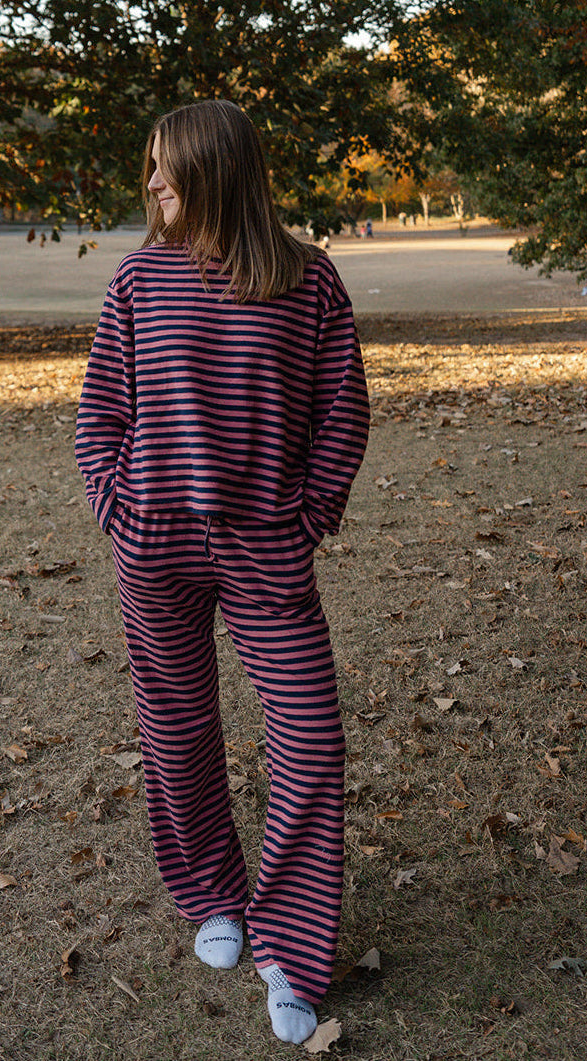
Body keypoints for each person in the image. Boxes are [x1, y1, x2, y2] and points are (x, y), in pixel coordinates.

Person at [75, 99, 370, 1045]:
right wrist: (119, 508)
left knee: (310, 738)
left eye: (166, 164)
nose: (151, 181)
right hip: (155, 544)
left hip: (264, 550)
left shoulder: (308, 279)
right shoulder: (139, 278)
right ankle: (210, 893)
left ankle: (291, 948)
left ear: (215, 169)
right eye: (150, 165)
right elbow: (99, 415)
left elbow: (342, 413)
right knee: (177, 728)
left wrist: (307, 517)